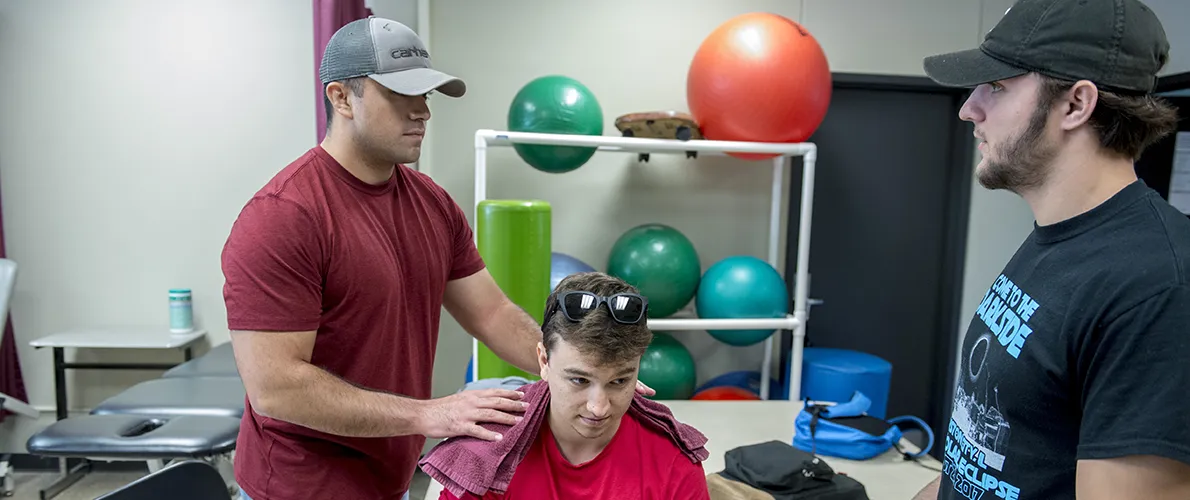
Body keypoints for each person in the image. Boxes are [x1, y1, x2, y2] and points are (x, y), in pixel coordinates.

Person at [220, 18, 652, 500]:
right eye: (401, 96)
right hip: (299, 487)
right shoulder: (283, 217)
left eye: (425, 95)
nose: (422, 111)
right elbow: (277, 388)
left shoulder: (431, 203)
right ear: (342, 98)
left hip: (389, 477)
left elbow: (490, 311)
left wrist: (574, 369)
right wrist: (429, 414)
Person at [915, 0, 1190, 499]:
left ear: (1075, 105)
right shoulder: (1057, 237)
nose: (968, 108)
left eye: (996, 86)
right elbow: (984, 468)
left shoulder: (1157, 288)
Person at [437, 272, 710, 500]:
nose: (598, 407)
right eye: (579, 380)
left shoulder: (674, 464)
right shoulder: (487, 455)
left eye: (619, 381)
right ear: (544, 360)